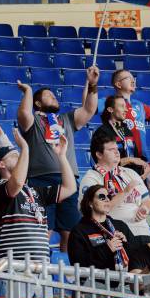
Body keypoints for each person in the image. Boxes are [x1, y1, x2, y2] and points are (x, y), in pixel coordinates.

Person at [16, 67, 99, 251]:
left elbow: (89, 109)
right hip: (41, 181)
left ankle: (68, 268)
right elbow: (23, 114)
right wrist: (28, 91)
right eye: (48, 95)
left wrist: (93, 84)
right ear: (37, 103)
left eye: (54, 95)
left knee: (71, 233)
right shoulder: (33, 120)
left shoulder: (66, 118)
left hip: (69, 180)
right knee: (44, 230)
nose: (54, 97)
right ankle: (41, 266)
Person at [0, 129, 77, 263]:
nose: (20, 157)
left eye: (19, 155)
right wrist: (25, 148)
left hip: (42, 265)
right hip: (14, 265)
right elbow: (17, 182)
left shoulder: (35, 190)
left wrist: (62, 156)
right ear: (1, 164)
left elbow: (70, 188)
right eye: (14, 156)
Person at [78, 132, 150, 240]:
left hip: (143, 232)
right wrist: (125, 192)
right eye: (111, 149)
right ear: (99, 154)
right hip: (115, 237)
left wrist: (145, 208)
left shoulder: (130, 173)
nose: (117, 152)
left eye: (117, 148)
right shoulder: (91, 178)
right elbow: (89, 212)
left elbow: (148, 201)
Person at [68, 184, 149, 276]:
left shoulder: (120, 225)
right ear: (90, 203)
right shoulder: (79, 231)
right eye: (102, 197)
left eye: (109, 197)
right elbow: (79, 266)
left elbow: (136, 257)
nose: (107, 199)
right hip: (95, 282)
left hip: (124, 280)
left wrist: (126, 244)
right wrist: (107, 249)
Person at [96, 94, 150, 195]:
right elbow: (104, 165)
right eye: (122, 106)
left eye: (126, 106)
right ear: (110, 109)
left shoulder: (127, 130)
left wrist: (145, 166)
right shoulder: (102, 133)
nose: (126, 110)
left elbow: (135, 157)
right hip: (115, 181)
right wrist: (130, 160)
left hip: (132, 177)